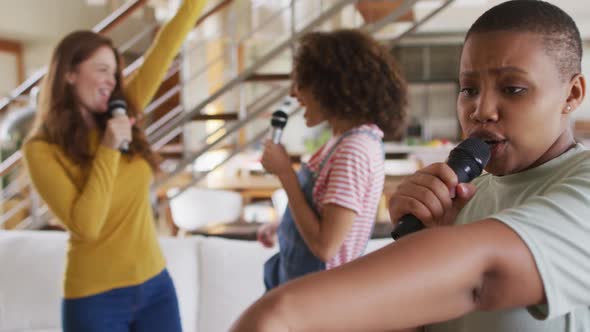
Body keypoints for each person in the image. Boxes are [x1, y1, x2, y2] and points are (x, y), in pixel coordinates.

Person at [230, 1, 590, 331]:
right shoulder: (464, 197)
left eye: (512, 88)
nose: (481, 110)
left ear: (572, 94)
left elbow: (485, 275)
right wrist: (422, 242)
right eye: (468, 89)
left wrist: (282, 312)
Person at [22, 1, 207, 331]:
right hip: (94, 300)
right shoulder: (42, 150)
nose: (113, 80)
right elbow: (87, 225)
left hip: (156, 288)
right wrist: (108, 148)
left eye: (116, 71)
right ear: (69, 73)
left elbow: (166, 46)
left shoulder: (124, 109)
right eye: (102, 69)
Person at [257, 29, 407, 290]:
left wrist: (285, 174)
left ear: (332, 85)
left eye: (301, 82)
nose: (294, 94)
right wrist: (284, 227)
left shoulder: (354, 150)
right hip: (304, 291)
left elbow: (326, 247)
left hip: (318, 297)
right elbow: (324, 212)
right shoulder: (341, 141)